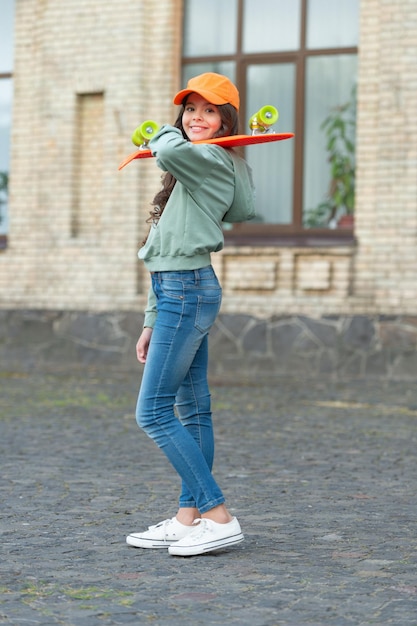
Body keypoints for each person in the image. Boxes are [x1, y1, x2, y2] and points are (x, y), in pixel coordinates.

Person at [126, 73, 255, 557]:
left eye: (209, 111)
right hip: (177, 290)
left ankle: (218, 516)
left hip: (187, 290)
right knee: (193, 410)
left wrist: (165, 134)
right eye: (189, 110)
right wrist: (150, 317)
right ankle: (189, 517)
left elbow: (168, 151)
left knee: (153, 412)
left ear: (226, 122)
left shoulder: (207, 158)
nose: (195, 118)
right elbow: (165, 250)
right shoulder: (203, 163)